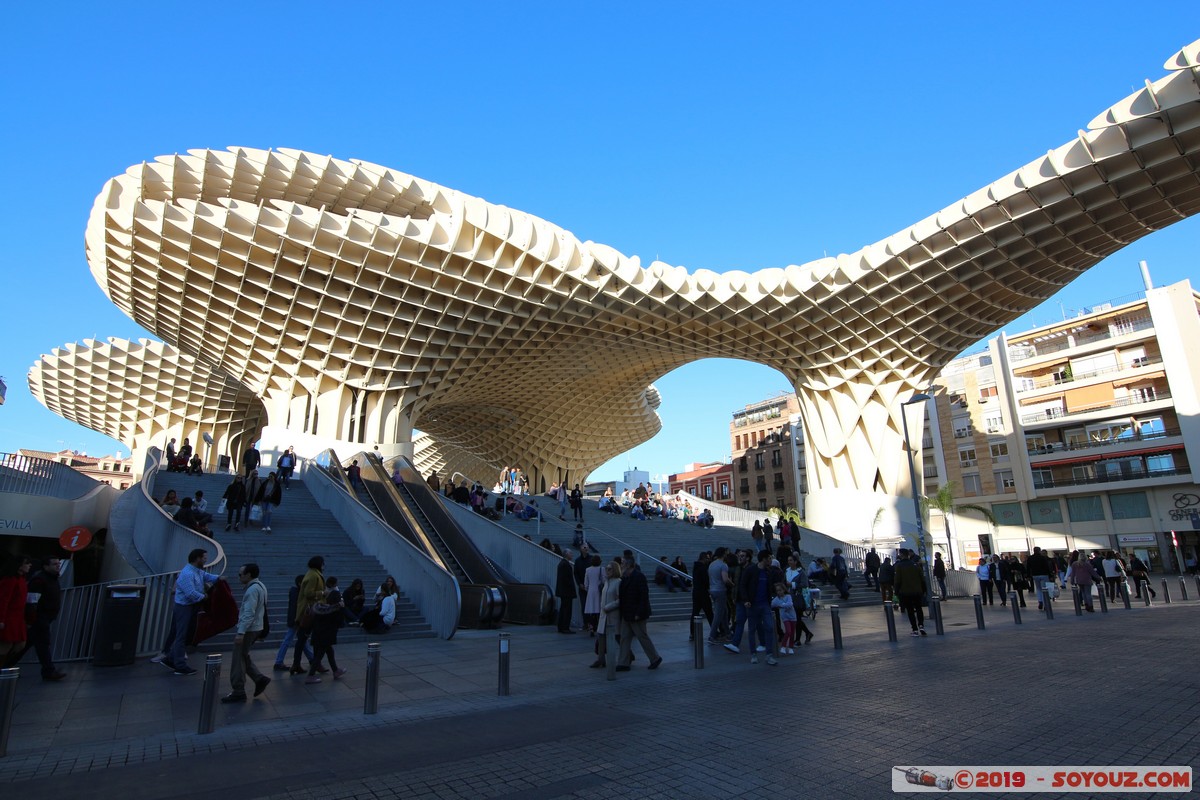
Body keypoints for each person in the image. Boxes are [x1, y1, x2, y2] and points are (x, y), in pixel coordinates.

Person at [154, 548, 219, 675]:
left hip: (191, 607)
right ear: (198, 558)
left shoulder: (198, 571)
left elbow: (207, 576)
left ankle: (170, 658)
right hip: (184, 607)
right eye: (204, 558)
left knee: (186, 634)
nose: (206, 560)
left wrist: (219, 578)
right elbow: (190, 593)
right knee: (181, 636)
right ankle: (179, 665)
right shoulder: (187, 573)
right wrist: (204, 597)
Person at [222, 562, 270, 702]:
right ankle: (259, 679)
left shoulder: (252, 590)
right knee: (243, 655)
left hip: (249, 629)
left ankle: (238, 690)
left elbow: (249, 613)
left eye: (240, 574)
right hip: (256, 627)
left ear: (249, 575)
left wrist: (241, 632)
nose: (239, 577)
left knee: (238, 658)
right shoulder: (260, 586)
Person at [19, 557, 66, 680]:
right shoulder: (40, 580)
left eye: (58, 563)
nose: (58, 566)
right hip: (40, 618)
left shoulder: (52, 579)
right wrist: (32, 619)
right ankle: (48, 671)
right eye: (54, 564)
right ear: (46, 566)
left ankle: (6, 665)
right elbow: (32, 601)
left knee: (26, 644)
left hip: (45, 617)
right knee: (43, 644)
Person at [615, 557, 662, 671]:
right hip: (627, 613)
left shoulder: (639, 577)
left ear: (629, 565)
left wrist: (639, 613)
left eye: (623, 563)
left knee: (642, 636)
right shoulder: (625, 578)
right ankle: (623, 662)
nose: (621, 565)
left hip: (636, 614)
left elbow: (643, 596)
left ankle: (655, 658)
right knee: (624, 638)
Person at [735, 551, 781, 665]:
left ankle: (769, 654)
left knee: (769, 627)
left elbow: (773, 585)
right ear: (764, 559)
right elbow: (742, 585)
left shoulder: (768, 571)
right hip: (753, 604)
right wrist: (745, 600)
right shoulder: (751, 570)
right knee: (752, 629)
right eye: (769, 558)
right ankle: (753, 654)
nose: (771, 561)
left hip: (765, 603)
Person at [306, 577, 347, 684]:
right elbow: (327, 610)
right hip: (326, 629)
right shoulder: (327, 597)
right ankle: (310, 675)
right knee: (321, 652)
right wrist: (339, 605)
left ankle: (335, 670)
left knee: (328, 650)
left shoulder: (322, 596)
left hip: (321, 628)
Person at [290, 556, 325, 675]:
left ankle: (298, 664)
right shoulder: (313, 575)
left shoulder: (311, 574)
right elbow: (308, 593)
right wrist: (322, 593)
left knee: (303, 639)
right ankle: (314, 664)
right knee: (311, 639)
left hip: (309, 611)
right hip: (310, 612)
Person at [274, 575, 315, 671]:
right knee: (289, 640)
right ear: (300, 583)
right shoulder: (297, 593)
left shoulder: (296, 592)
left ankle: (312, 658)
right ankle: (278, 662)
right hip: (297, 620)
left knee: (302, 640)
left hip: (297, 619)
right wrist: (294, 620)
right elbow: (294, 608)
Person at [0, 555, 32, 667]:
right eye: (27, 563)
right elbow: (3, 600)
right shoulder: (10, 580)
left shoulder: (21, 579)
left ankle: (6, 667)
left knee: (20, 644)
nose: (29, 565)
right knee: (6, 644)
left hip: (18, 616)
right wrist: (1, 619)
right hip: (10, 616)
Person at [591, 560, 622, 668]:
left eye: (609, 569)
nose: (607, 571)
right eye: (606, 569)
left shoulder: (618, 582)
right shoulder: (606, 582)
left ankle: (628, 655)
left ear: (615, 570)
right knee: (601, 636)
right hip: (603, 615)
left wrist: (608, 607)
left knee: (616, 637)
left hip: (612, 614)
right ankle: (600, 659)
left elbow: (620, 600)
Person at [894, 548, 927, 636]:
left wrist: (896, 592)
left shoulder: (900, 566)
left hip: (906, 591)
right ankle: (921, 625)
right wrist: (923, 590)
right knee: (919, 608)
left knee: (910, 610)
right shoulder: (915, 565)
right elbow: (922, 579)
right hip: (917, 591)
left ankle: (915, 629)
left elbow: (897, 580)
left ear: (901, 555)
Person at [707, 547, 732, 644]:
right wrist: (733, 584)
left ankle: (728, 633)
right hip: (720, 590)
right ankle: (712, 636)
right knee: (718, 614)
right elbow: (725, 579)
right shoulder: (723, 565)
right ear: (723, 554)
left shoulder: (711, 564)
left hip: (712, 589)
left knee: (724, 612)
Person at [771, 582, 797, 654]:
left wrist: (781, 605)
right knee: (788, 631)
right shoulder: (776, 599)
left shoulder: (788, 596)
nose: (779, 592)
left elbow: (790, 604)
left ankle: (791, 647)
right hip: (785, 617)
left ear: (784, 590)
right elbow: (772, 604)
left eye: (780, 590)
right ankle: (783, 646)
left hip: (792, 616)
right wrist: (783, 605)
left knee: (792, 633)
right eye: (777, 591)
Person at [555, 549, 577, 633]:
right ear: (566, 554)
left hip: (563, 591)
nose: (572, 554)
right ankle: (565, 627)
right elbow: (566, 579)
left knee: (564, 609)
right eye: (570, 553)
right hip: (566, 592)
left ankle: (562, 627)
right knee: (567, 610)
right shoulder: (565, 564)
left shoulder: (562, 563)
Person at [582, 554, 603, 636]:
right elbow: (604, 580)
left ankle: (591, 627)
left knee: (591, 610)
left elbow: (585, 583)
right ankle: (598, 627)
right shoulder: (602, 569)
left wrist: (587, 589)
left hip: (590, 591)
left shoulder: (588, 570)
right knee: (599, 610)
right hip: (599, 591)